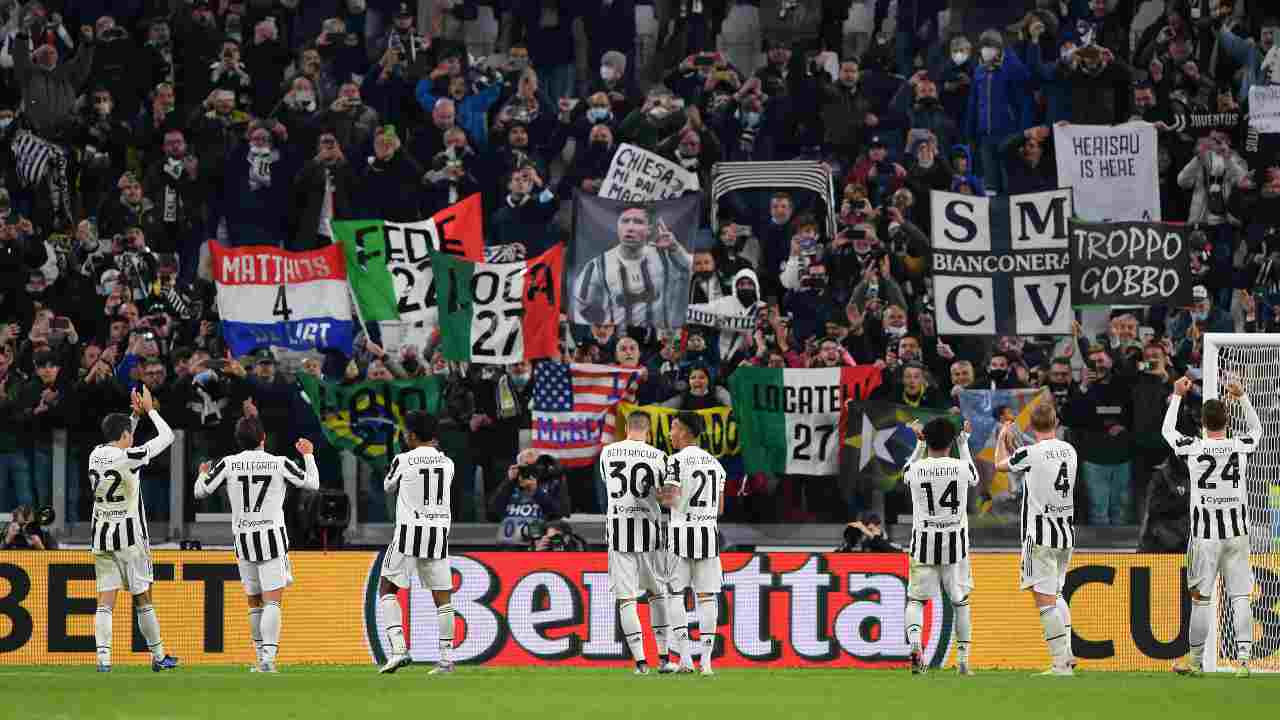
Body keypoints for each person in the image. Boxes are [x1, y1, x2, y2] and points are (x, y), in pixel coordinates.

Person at [193, 416, 319, 673]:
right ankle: (268, 659)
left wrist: (202, 475)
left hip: (243, 538)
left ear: (239, 441)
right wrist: (308, 455)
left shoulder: (229, 463)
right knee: (272, 601)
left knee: (254, 601)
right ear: (263, 438)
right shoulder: (278, 463)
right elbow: (312, 484)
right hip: (270, 537)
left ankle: (260, 655)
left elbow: (201, 492)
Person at [1163, 377, 1261, 677]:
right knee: (1240, 596)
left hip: (1206, 536)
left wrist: (1178, 396)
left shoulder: (1193, 446)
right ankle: (1243, 662)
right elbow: (1257, 430)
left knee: (1202, 599)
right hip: (1237, 534)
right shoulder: (1239, 445)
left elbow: (1168, 431)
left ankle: (1194, 661)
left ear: (1202, 423)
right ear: (1227, 421)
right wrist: (1242, 396)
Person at [89, 385, 178, 673]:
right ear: (126, 436)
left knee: (105, 599)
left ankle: (103, 659)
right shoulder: (128, 457)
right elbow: (168, 437)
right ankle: (159, 655)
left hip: (101, 535)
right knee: (143, 597)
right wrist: (150, 410)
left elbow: (123, 441)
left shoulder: (95, 454)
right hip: (129, 537)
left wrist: (133, 418)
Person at [995, 401, 1079, 677]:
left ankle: (1060, 663)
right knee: (1056, 594)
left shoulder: (1030, 452)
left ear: (1030, 425)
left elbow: (1000, 465)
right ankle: (1068, 653)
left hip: (1040, 535)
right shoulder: (1070, 450)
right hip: (1065, 532)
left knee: (1045, 602)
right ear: (1055, 423)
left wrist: (1002, 437)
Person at [374, 411, 456, 675]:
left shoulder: (403, 459)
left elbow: (388, 486)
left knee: (387, 588)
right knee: (443, 598)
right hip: (438, 531)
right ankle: (446, 659)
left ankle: (398, 650)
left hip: (410, 530)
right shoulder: (448, 463)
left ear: (411, 434)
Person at [903, 418, 978, 676]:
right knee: (961, 602)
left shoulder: (916, 469)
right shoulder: (960, 467)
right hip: (955, 545)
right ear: (950, 442)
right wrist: (964, 442)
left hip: (923, 542)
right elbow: (975, 477)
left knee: (916, 601)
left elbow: (905, 472)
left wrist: (918, 444)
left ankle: (915, 647)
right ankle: (963, 660)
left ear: (927, 439)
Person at [599, 413, 671, 675]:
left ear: (627, 428)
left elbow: (610, 483)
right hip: (650, 532)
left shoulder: (608, 453)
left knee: (626, 599)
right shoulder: (660, 456)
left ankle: (641, 662)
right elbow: (666, 496)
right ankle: (664, 657)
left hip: (618, 532)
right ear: (648, 431)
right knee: (657, 594)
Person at [658, 412, 726, 676]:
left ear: (685, 431)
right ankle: (706, 663)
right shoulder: (716, 465)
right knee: (707, 597)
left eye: (673, 428)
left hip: (681, 533)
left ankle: (685, 658)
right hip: (708, 533)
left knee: (676, 595)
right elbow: (720, 508)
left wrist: (655, 491)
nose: (670, 433)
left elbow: (669, 499)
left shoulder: (675, 461)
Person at [571, 203, 693, 329]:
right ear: (617, 226)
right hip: (621, 340)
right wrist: (604, 326)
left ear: (649, 229)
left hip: (658, 339)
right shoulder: (598, 265)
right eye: (625, 221)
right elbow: (580, 305)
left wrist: (675, 247)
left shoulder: (667, 255)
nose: (630, 227)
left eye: (638, 222)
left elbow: (693, 270)